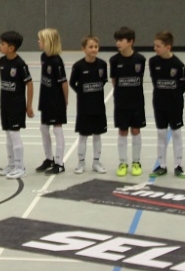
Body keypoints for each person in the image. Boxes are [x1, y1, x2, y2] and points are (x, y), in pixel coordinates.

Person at [149, 31, 185, 178]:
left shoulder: (178, 64)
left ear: (168, 47)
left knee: (176, 133)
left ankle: (178, 165)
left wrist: (174, 96)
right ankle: (162, 165)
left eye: (158, 46)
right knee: (161, 133)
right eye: (154, 45)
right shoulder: (153, 62)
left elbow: (184, 84)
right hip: (159, 103)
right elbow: (155, 81)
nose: (155, 48)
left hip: (175, 104)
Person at [110, 27, 147, 177]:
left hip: (137, 102)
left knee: (136, 130)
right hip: (121, 102)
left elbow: (140, 78)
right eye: (116, 40)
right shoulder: (114, 60)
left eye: (121, 40)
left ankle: (136, 162)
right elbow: (114, 80)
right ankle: (123, 162)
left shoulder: (140, 59)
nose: (118, 43)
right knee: (122, 130)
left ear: (131, 42)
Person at [0, 30, 34, 179]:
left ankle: (20, 167)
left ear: (11, 48)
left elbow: (29, 84)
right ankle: (11, 164)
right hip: (4, 104)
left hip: (16, 105)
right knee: (8, 135)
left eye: (2, 44)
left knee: (14, 134)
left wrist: (29, 106)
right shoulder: (1, 61)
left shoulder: (20, 64)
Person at [70, 35, 108, 174]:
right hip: (84, 107)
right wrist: (82, 93)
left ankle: (96, 162)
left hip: (98, 106)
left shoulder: (102, 64)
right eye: (90, 47)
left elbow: (103, 80)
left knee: (97, 134)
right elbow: (72, 83)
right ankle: (81, 163)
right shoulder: (78, 66)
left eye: (96, 47)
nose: (93, 49)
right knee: (83, 135)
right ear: (83, 49)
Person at [36, 28, 69, 174]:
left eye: (41, 40)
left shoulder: (57, 61)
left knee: (57, 129)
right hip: (45, 99)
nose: (38, 42)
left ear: (48, 42)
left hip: (56, 101)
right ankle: (49, 159)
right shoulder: (44, 57)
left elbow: (64, 83)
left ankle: (59, 163)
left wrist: (65, 101)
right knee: (43, 128)